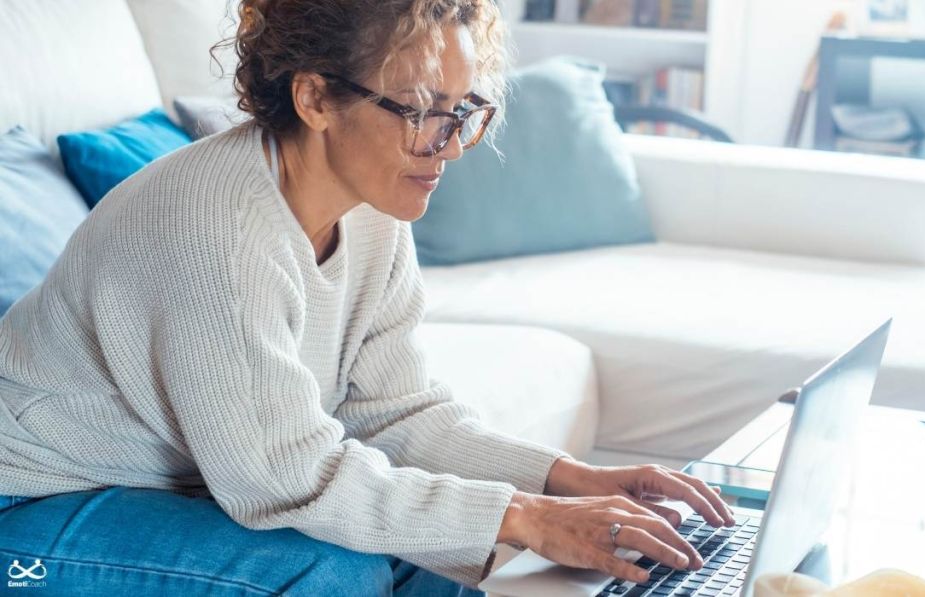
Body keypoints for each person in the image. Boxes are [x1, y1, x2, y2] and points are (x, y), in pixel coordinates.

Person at [0, 0, 734, 594]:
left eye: (462, 110)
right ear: (316, 97)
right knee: (334, 574)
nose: (447, 145)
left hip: (167, 485)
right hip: (29, 505)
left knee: (430, 553)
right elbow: (287, 477)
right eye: (418, 110)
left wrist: (571, 481)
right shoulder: (213, 230)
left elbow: (394, 410)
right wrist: (529, 518)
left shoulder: (373, 205)